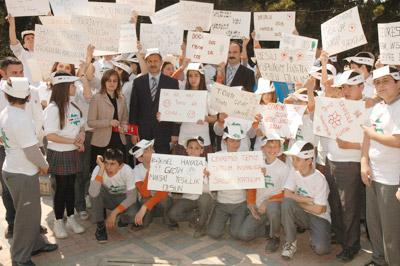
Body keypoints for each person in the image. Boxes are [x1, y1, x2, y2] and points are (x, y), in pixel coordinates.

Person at [0, 77, 57, 266]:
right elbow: (32, 150)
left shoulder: (6, 112)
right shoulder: (20, 118)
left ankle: (36, 244)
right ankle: (20, 257)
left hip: (13, 169)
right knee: (26, 217)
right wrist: (44, 165)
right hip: (22, 174)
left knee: (31, 213)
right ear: (26, 96)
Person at [0, 57, 47, 239]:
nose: (20, 76)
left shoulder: (32, 91)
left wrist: (36, 142)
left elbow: (39, 118)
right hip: (8, 148)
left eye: (21, 72)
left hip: (32, 146)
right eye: (14, 73)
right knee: (9, 190)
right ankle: (13, 223)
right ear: (3, 73)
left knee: (32, 192)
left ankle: (33, 225)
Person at [325, 70, 366, 262]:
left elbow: (374, 141)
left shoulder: (369, 108)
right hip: (332, 160)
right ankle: (341, 238)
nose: (346, 91)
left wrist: (351, 145)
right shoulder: (338, 105)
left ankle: (352, 245)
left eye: (350, 86)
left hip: (351, 163)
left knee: (349, 207)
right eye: (343, 87)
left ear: (361, 87)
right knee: (335, 203)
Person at [361, 66, 400, 266]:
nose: (380, 86)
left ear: (398, 83)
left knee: (392, 230)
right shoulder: (377, 107)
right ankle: (378, 259)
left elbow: (397, 140)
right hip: (373, 176)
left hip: (392, 179)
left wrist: (372, 134)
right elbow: (366, 138)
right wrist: (364, 163)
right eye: (377, 82)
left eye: (386, 81)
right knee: (374, 224)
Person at [44, 72, 86, 239]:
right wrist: (73, 142)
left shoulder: (73, 105)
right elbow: (50, 135)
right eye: (73, 85)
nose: (75, 87)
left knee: (71, 187)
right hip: (59, 153)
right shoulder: (52, 109)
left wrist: (81, 136)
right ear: (64, 87)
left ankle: (71, 218)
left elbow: (81, 125)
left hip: (72, 151)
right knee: (61, 189)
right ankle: (58, 221)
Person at [238, 133, 289, 253]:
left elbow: (286, 193)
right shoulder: (257, 164)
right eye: (269, 146)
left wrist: (268, 201)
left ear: (280, 148)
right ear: (262, 148)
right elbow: (252, 187)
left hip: (274, 206)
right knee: (244, 235)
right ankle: (266, 226)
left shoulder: (284, 168)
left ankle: (274, 237)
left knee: (272, 208)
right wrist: (251, 203)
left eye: (275, 146)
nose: (272, 149)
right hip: (259, 207)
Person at [281, 141, 331, 260]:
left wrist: (297, 202)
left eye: (297, 159)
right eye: (293, 159)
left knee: (321, 249)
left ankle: (317, 234)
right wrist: (304, 200)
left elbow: (319, 209)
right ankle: (290, 242)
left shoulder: (320, 179)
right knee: (287, 204)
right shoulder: (294, 172)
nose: (293, 163)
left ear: (309, 161)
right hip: (305, 212)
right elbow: (286, 194)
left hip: (320, 217)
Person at [129, 48, 180, 154]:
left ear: (161, 62)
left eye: (156, 61)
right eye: (150, 61)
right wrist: (133, 132)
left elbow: (176, 110)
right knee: (143, 165)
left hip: (164, 133)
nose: (153, 64)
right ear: (146, 63)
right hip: (143, 133)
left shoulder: (172, 83)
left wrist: (175, 133)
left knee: (161, 164)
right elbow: (134, 109)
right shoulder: (138, 82)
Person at [168, 136, 214, 238]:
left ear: (202, 150)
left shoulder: (207, 165)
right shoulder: (181, 164)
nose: (193, 151)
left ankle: (201, 227)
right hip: (188, 198)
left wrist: (207, 176)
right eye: (191, 147)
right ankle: (196, 216)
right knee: (173, 214)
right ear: (186, 150)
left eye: (197, 148)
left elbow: (210, 188)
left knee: (205, 200)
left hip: (203, 196)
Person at [207, 124, 248, 240]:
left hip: (240, 203)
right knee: (213, 234)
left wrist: (259, 172)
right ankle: (224, 218)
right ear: (225, 141)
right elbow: (211, 180)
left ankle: (241, 217)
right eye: (232, 141)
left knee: (235, 234)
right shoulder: (217, 157)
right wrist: (208, 174)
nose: (235, 144)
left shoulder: (246, 158)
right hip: (222, 203)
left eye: (238, 141)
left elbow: (253, 177)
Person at [88, 148, 137, 243]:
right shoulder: (99, 168)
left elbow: (132, 197)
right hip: (107, 198)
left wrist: (114, 213)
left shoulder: (127, 170)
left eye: (112, 164)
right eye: (106, 163)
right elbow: (93, 193)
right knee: (96, 190)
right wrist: (101, 169)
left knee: (134, 214)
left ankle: (122, 218)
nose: (108, 167)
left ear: (121, 166)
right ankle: (100, 226)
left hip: (122, 198)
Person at [170, 63, 216, 156]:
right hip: (184, 139)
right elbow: (177, 120)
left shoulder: (208, 95)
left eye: (196, 75)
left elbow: (215, 117)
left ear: (201, 77)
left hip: (203, 140)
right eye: (190, 76)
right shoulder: (182, 95)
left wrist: (206, 119)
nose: (193, 79)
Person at [87, 69, 128, 172]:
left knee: (118, 174)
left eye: (115, 81)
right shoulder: (96, 98)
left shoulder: (122, 98)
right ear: (104, 82)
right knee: (100, 175)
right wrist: (108, 122)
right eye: (109, 80)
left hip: (119, 142)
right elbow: (90, 122)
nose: (112, 83)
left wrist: (124, 127)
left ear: (118, 83)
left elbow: (124, 119)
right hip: (101, 143)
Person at [130, 139, 176, 230]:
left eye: (152, 148)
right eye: (147, 150)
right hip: (147, 198)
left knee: (166, 200)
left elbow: (164, 192)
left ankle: (168, 219)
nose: (153, 151)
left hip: (162, 197)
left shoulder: (164, 166)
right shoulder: (136, 170)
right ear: (140, 158)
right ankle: (147, 217)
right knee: (145, 200)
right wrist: (151, 171)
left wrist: (145, 207)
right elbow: (145, 193)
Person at [6, 15, 35, 82]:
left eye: (33, 38)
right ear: (24, 45)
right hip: (29, 87)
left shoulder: (46, 53)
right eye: (27, 39)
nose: (31, 40)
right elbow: (13, 41)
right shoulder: (23, 54)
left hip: (47, 88)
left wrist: (50, 20)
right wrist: (12, 23)